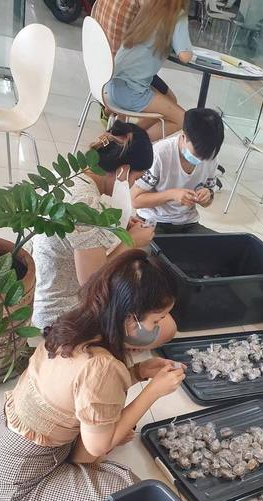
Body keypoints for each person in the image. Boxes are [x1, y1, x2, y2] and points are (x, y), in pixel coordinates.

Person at [0, 251, 186, 501]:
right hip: (14, 494)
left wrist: (138, 373)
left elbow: (82, 395)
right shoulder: (100, 367)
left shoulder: (75, 325)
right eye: (156, 320)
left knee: (110, 434)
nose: (159, 327)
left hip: (1, 450)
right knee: (132, 494)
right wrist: (153, 392)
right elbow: (96, 447)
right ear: (129, 318)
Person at [31, 127, 168, 338]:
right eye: (135, 178)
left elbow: (81, 236)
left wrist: (118, 228)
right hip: (61, 314)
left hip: (43, 291)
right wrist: (131, 240)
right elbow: (92, 282)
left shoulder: (71, 175)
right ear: (123, 170)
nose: (132, 184)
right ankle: (99, 345)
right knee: (165, 328)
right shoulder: (86, 202)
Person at [106, 0, 193, 142]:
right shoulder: (177, 16)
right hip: (132, 91)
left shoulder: (148, 6)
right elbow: (185, 56)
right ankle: (130, 144)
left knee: (170, 99)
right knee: (183, 120)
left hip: (112, 84)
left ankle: (127, 134)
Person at [132, 107, 224, 235]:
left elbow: (208, 201)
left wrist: (207, 195)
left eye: (206, 156)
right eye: (197, 154)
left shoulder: (211, 158)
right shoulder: (160, 154)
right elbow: (135, 200)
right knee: (156, 253)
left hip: (188, 223)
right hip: (153, 221)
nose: (201, 159)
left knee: (221, 248)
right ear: (183, 137)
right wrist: (172, 195)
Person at [92, 0, 179, 106]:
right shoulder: (141, 3)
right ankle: (114, 113)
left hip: (99, 67)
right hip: (122, 74)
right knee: (170, 99)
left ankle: (113, 114)